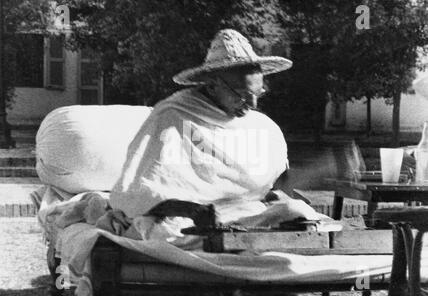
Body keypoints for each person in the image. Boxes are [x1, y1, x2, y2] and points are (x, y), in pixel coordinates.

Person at [109, 29, 321, 243]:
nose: (253, 105)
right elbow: (138, 193)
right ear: (212, 85)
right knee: (168, 234)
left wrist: (283, 193)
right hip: (186, 219)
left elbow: (273, 187)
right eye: (242, 95)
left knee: (296, 211)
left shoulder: (261, 126)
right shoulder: (172, 117)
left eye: (258, 94)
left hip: (245, 214)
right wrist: (193, 210)